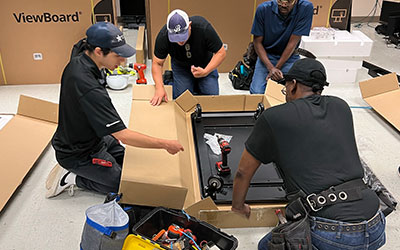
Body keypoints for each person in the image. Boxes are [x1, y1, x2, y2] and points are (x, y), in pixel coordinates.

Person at [231, 58, 386, 249]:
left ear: (293, 85)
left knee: (265, 246)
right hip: (375, 222)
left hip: (332, 232)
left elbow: (242, 173)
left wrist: (238, 206)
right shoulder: (341, 106)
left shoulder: (274, 117)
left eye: (285, 87)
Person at [46, 22, 184, 198]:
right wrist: (165, 144)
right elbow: (123, 135)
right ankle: (70, 177)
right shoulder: (88, 86)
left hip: (96, 135)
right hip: (77, 152)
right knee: (123, 185)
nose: (123, 61)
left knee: (129, 164)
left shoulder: (82, 54)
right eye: (118, 55)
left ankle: (95, 168)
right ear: (98, 51)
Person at [150, 9, 226, 105]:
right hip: (181, 66)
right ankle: (171, 80)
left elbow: (221, 52)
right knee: (182, 100)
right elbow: (157, 63)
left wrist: (206, 71)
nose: (180, 41)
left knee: (211, 97)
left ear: (189, 25)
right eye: (176, 38)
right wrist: (159, 87)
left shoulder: (203, 28)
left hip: (204, 64)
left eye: (182, 36)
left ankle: (196, 83)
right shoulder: (163, 36)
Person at [250, 0, 313, 94]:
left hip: (290, 56)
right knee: (257, 92)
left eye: (289, 1)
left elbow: (292, 43)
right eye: (280, 0)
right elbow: (257, 42)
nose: (284, 4)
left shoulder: (305, 8)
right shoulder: (263, 9)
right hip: (267, 56)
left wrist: (276, 69)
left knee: (296, 92)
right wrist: (271, 68)